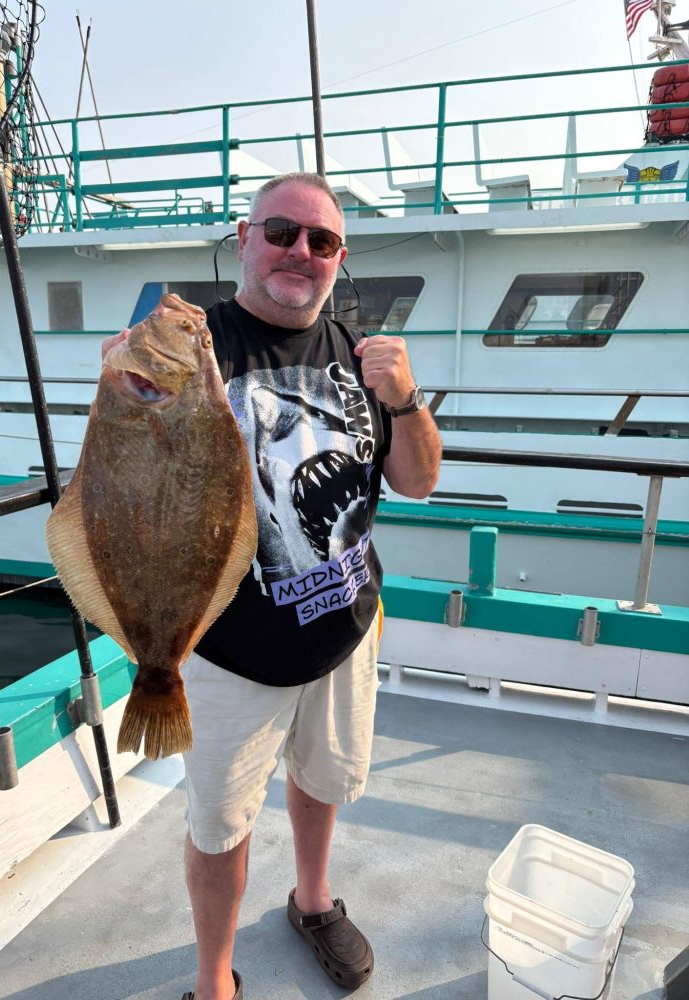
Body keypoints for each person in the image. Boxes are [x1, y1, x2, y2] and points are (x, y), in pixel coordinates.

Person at [108, 171, 440, 1000]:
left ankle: (313, 899)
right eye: (281, 232)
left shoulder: (360, 355)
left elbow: (420, 480)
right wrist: (125, 385)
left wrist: (404, 400)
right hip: (226, 650)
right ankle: (215, 978)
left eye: (320, 241)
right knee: (219, 827)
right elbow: (126, 478)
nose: (300, 251)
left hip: (347, 628)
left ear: (338, 259)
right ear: (245, 238)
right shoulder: (192, 345)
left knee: (322, 781)